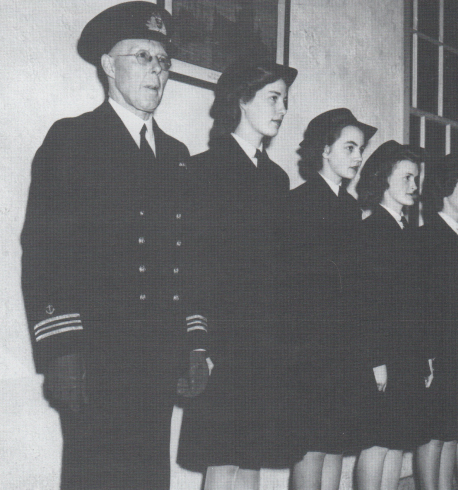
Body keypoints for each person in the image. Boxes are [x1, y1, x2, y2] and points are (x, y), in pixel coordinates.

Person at [20, 3, 209, 489]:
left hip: (160, 356)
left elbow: (186, 258)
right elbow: (44, 249)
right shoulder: (73, 140)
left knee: (149, 479)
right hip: (97, 357)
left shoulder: (176, 156)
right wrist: (61, 348)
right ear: (107, 63)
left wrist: (193, 342)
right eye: (143, 55)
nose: (157, 71)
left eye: (163, 61)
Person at [177, 58, 298, 490]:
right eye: (273, 98)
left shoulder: (275, 178)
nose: (282, 109)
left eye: (285, 100)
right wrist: (199, 344)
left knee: (254, 459)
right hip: (224, 343)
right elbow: (195, 264)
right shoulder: (205, 169)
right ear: (241, 101)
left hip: (267, 342)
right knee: (223, 459)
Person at [284, 108, 376, 490]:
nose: (357, 157)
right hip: (312, 347)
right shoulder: (300, 202)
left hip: (346, 345)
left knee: (338, 443)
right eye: (349, 147)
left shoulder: (350, 206)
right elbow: (296, 286)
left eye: (361, 149)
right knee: (312, 447)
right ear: (324, 150)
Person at [354, 141, 430, 490]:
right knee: (377, 443)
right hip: (385, 356)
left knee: (398, 441)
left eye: (417, 178)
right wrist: (375, 360)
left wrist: (425, 356)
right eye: (408, 178)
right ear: (384, 178)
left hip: (408, 355)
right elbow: (369, 303)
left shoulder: (406, 231)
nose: (415, 186)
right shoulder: (373, 231)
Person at [417, 156, 458, 490]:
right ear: (445, 191)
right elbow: (425, 302)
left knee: (454, 433)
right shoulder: (429, 234)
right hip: (441, 349)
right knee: (435, 435)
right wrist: (428, 354)